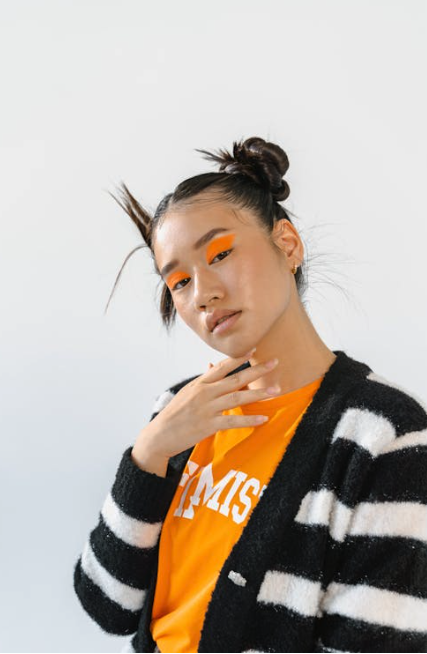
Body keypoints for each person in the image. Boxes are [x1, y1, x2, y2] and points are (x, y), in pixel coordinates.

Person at [73, 137, 427, 653]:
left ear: (287, 244)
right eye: (177, 283)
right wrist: (147, 455)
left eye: (220, 253)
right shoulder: (177, 415)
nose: (202, 294)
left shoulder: (382, 434)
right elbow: (107, 605)